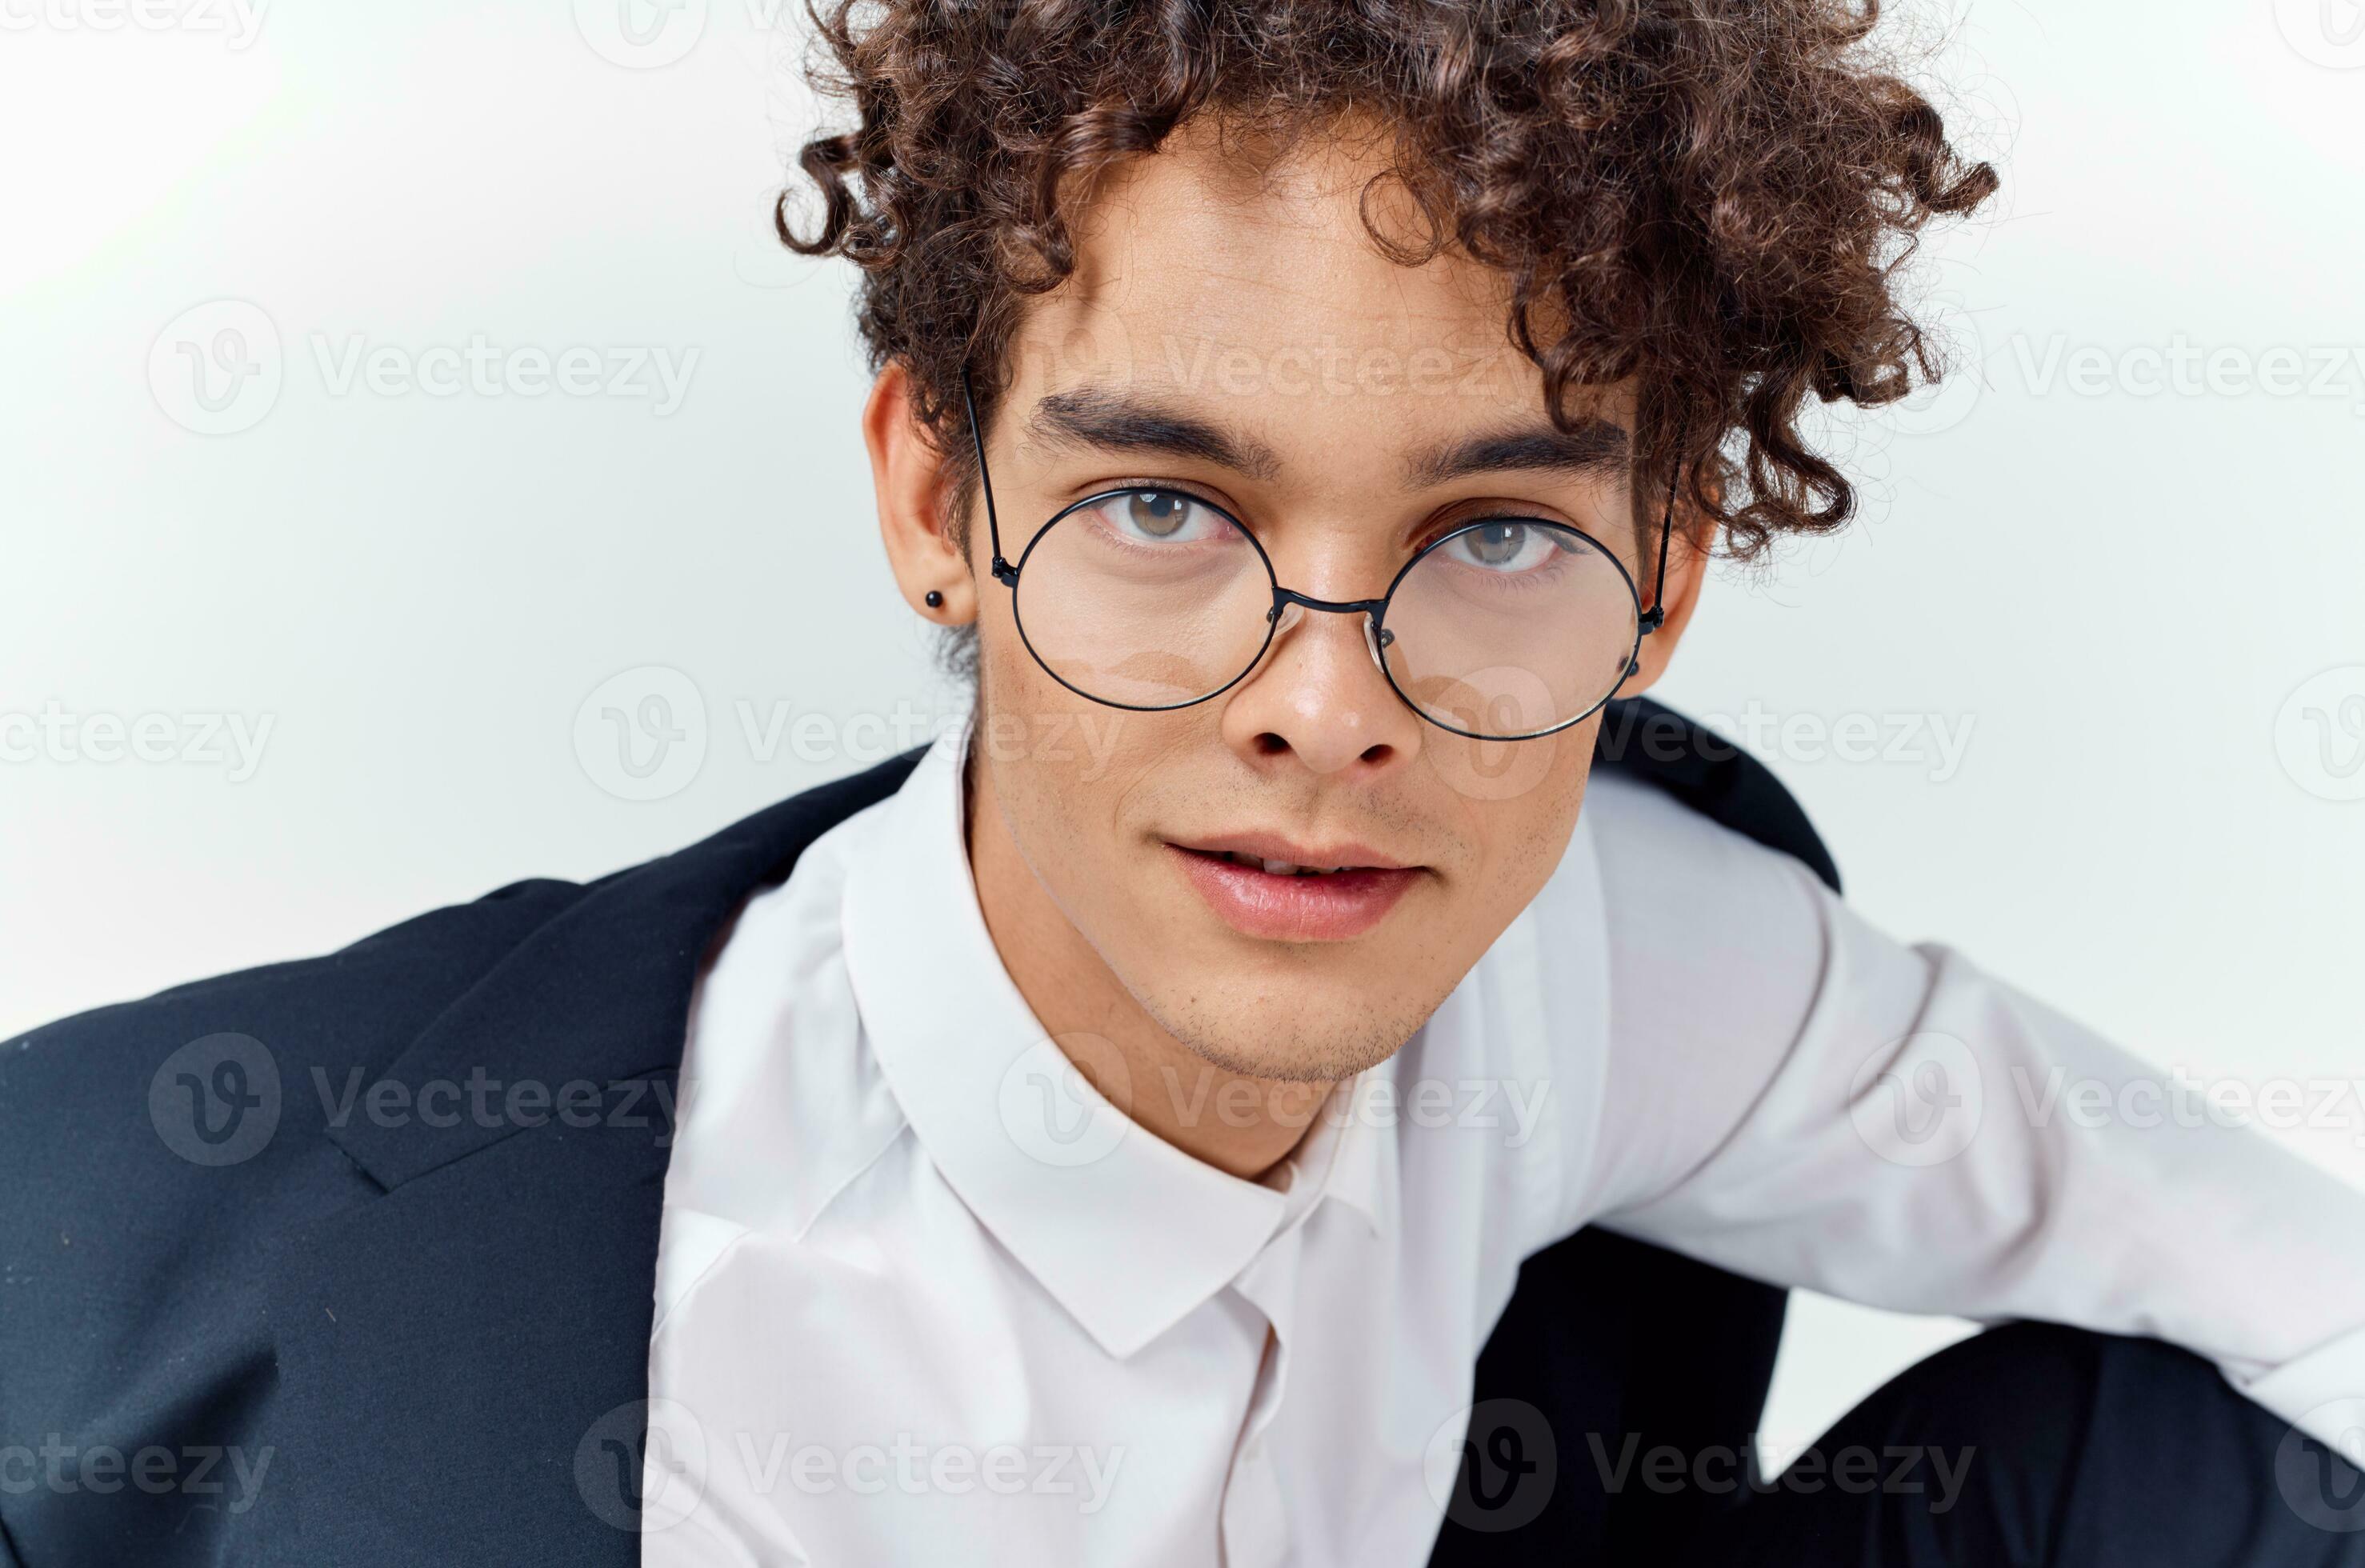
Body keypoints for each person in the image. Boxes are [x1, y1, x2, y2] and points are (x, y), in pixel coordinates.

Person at [4, 2, 2363, 1564]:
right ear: (936, 503)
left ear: (1658, 591)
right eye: (1165, 509)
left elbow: (2294, 1293)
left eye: (1496, 537)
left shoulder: (1595, 947)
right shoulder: (695, 1370)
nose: (1326, 711)